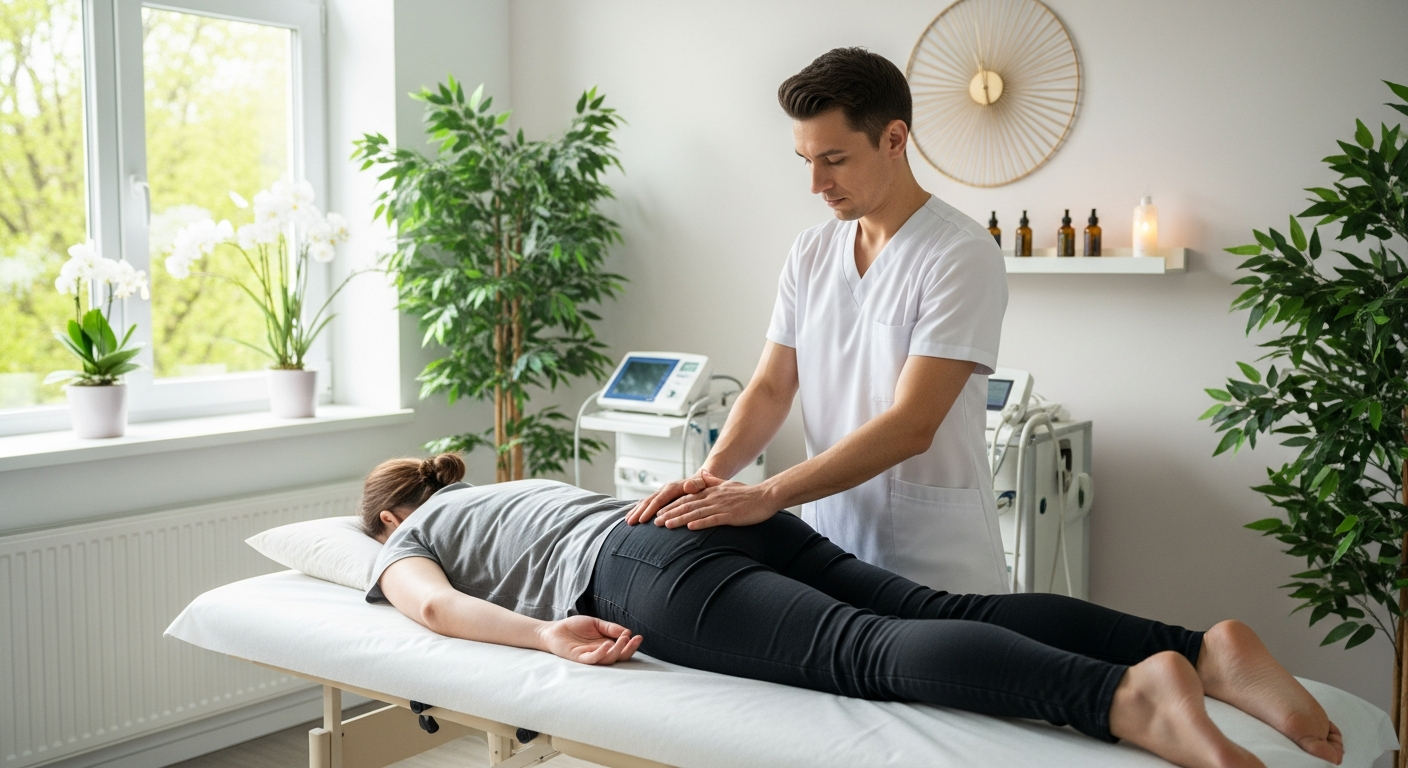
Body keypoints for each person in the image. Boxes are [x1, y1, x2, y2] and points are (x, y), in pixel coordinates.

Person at [361, 454, 1343, 768]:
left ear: (392, 515)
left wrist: (543, 634)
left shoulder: (411, 533)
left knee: (860, 650)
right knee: (926, 604)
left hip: (631, 567)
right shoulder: (517, 481)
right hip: (700, 511)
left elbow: (437, 612)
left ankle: (1122, 700)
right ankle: (1199, 650)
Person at [628, 47, 1011, 595]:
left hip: (935, 563)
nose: (816, 183)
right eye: (805, 160)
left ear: (895, 140)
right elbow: (769, 387)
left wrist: (767, 494)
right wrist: (708, 479)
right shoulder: (811, 252)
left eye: (834, 159)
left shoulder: (960, 253)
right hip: (829, 553)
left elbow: (913, 424)